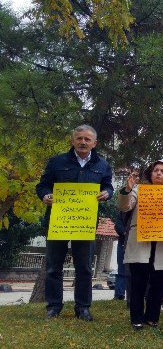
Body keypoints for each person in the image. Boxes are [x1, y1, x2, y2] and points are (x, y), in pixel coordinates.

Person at [36, 125, 114, 321]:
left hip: (85, 223)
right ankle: (53, 307)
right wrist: (45, 195)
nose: (83, 142)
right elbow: (42, 185)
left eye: (87, 139)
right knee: (54, 266)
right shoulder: (56, 162)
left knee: (85, 267)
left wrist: (108, 193)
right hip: (59, 221)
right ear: (72, 141)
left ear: (94, 143)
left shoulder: (103, 165)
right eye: (79, 138)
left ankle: (83, 308)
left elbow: (108, 186)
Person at [118, 159, 163, 330]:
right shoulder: (139, 190)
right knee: (138, 283)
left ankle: (152, 317)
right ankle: (136, 318)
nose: (159, 173)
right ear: (150, 173)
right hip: (141, 243)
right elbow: (125, 206)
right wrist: (128, 189)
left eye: (162, 171)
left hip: (162, 244)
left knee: (158, 284)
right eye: (156, 170)